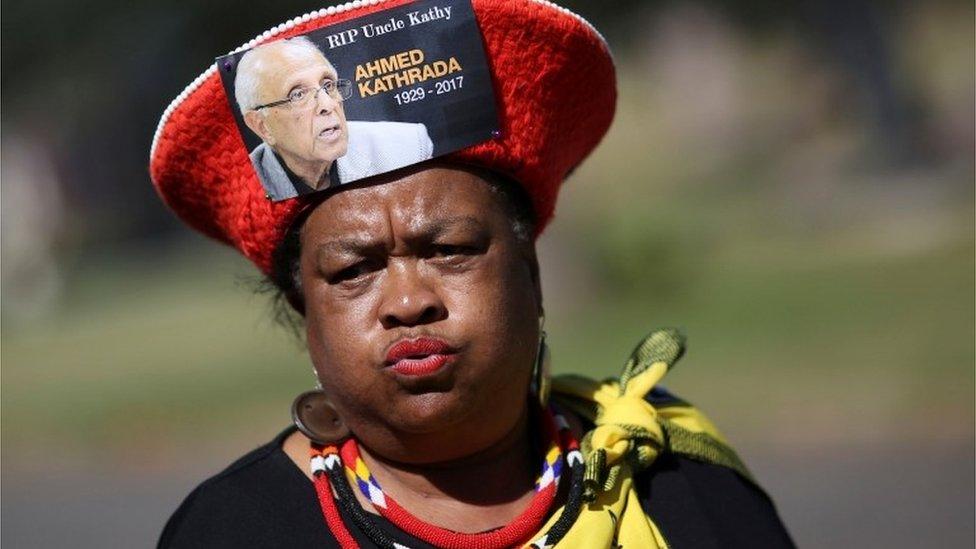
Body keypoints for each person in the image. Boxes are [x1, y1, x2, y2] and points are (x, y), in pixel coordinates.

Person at [150, 1, 794, 547]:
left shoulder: (668, 468)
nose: (408, 301)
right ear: (303, 310)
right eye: (353, 269)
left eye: (450, 249)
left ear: (529, 272)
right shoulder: (234, 532)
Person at [234, 36, 434, 200]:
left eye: (328, 85)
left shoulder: (405, 146)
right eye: (298, 95)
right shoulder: (246, 189)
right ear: (262, 126)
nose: (328, 105)